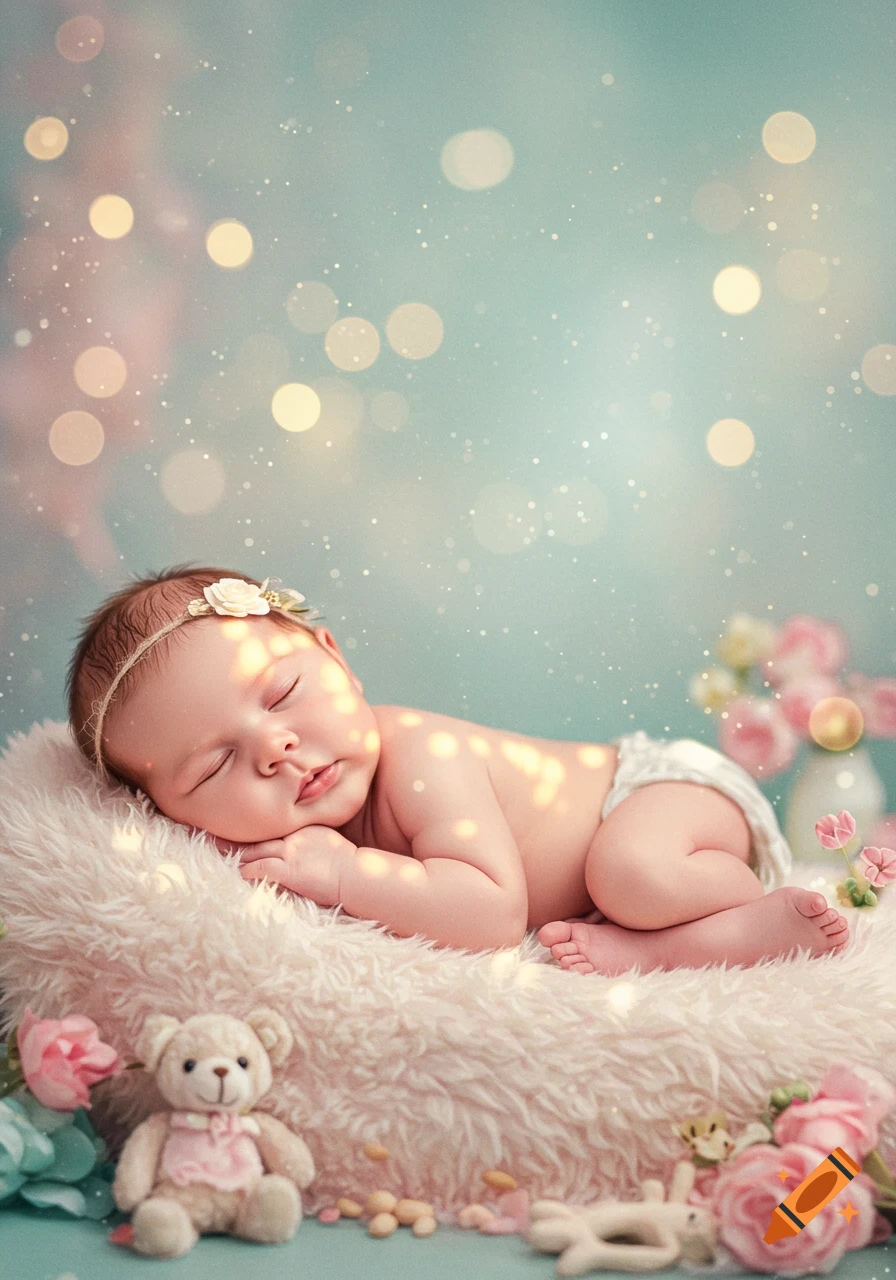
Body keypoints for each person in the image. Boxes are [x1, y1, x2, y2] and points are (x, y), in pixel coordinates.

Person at [66, 564, 850, 975]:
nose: (275, 749)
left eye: (282, 695)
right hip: (634, 840)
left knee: (630, 873)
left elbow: (492, 913)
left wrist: (344, 873)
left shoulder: (418, 751)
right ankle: (664, 939)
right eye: (214, 767)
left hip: (659, 793)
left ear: (334, 658)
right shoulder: (268, 846)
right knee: (623, 884)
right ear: (170, 816)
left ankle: (726, 918)